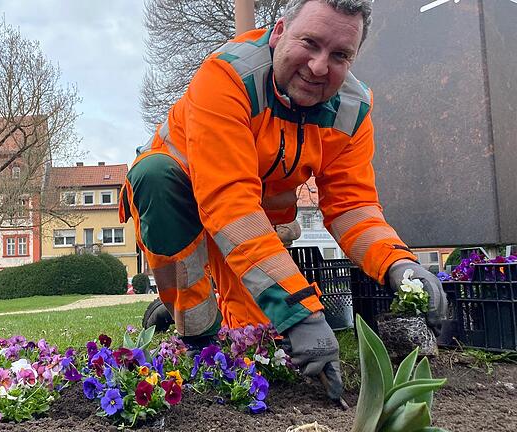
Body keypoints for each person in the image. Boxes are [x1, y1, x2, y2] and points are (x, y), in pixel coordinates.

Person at [122, 0, 447, 399]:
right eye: (310, 42)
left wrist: (397, 264)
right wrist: (299, 312)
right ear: (279, 32)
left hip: (251, 229)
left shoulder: (352, 110)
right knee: (155, 177)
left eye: (340, 55)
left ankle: (189, 308)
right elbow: (230, 203)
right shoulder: (226, 77)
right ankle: (197, 339)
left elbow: (352, 207)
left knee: (257, 337)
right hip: (182, 206)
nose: (318, 67)